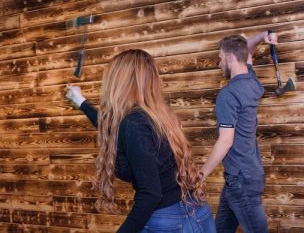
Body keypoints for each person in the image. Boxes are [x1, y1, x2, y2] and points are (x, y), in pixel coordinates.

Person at [65, 49, 216, 233]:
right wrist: (80, 102)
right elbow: (114, 129)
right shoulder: (155, 117)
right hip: (197, 212)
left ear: (120, 83)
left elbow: (150, 194)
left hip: (170, 223)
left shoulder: (134, 124)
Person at [200, 31, 278, 233]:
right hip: (244, 175)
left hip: (241, 180)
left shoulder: (228, 94)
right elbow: (246, 49)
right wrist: (262, 36)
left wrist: (202, 174)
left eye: (220, 59)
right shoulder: (253, 82)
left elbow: (225, 141)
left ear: (229, 57)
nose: (219, 65)